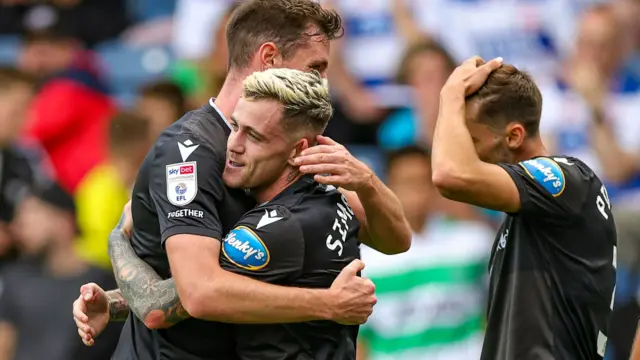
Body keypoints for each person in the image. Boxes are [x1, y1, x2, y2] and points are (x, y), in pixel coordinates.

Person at [72, 1, 412, 359]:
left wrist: (367, 181)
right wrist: (327, 303)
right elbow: (196, 291)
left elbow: (393, 240)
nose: (322, 83)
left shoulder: (298, 147)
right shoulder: (189, 153)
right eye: (315, 67)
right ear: (269, 58)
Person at [430, 57, 617, 359]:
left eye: (472, 140)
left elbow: (449, 175)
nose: (467, 153)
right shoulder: (524, 223)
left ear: (514, 136)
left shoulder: (569, 178)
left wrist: (449, 94)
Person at [357, 145, 494, 360]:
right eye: (407, 183)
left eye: (423, 182)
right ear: (387, 186)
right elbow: (359, 340)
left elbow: (501, 313)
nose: (416, 192)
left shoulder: (474, 243)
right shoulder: (365, 260)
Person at [0, 185, 122, 360]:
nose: (20, 224)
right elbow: (4, 345)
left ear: (64, 220)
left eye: (32, 213)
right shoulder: (15, 279)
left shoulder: (101, 284)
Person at [74, 112, 152, 270]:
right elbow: (103, 244)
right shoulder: (99, 188)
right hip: (101, 272)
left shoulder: (140, 182)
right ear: (140, 145)